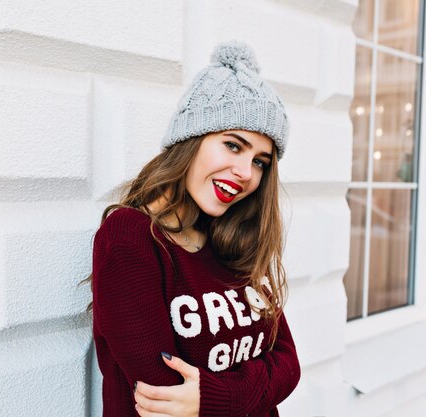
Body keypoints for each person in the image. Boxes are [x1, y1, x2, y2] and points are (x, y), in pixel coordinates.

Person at [84, 40, 301, 417]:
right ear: (192, 140)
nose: (247, 173)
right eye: (233, 146)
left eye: (261, 162)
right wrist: (253, 389)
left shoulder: (232, 241)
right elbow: (161, 393)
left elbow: (288, 364)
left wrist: (213, 398)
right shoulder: (129, 239)